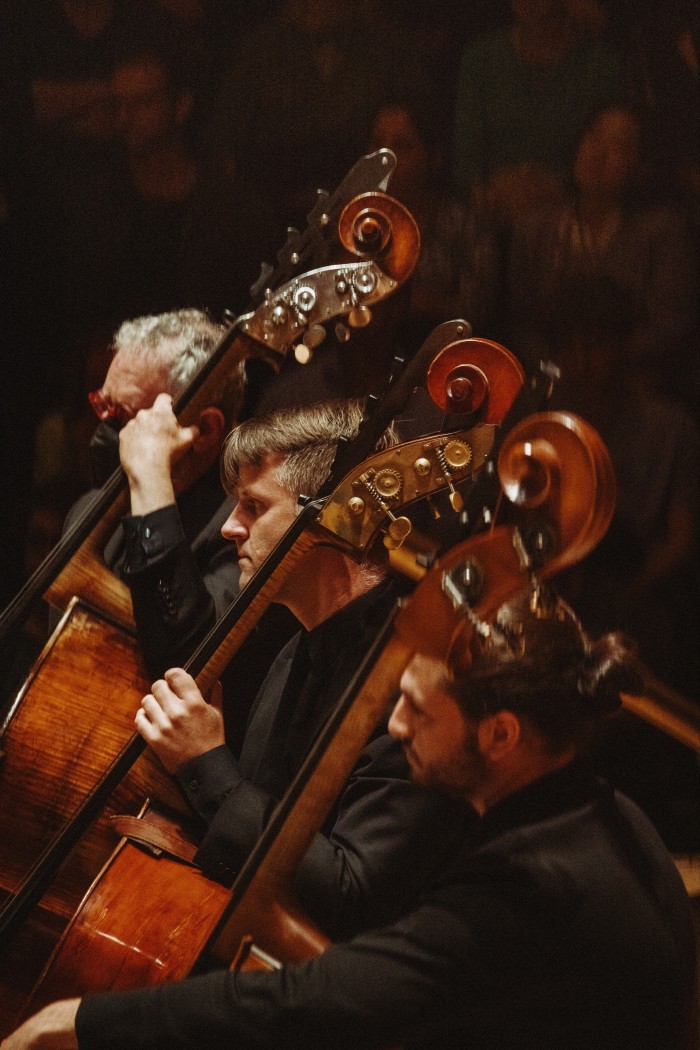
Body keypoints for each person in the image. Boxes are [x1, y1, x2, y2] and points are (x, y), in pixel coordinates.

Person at [4, 586, 695, 1049]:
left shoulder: (532, 886)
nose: (394, 727)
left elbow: (313, 1000)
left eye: (418, 711)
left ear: (501, 735)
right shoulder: (608, 815)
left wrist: (86, 1021)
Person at [130, 398, 474, 937]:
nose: (228, 528)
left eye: (253, 506)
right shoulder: (295, 648)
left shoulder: (405, 686)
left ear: (336, 516)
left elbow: (352, 891)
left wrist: (207, 765)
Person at [58, 308, 248, 678]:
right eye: (102, 405)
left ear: (205, 431)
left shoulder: (238, 536)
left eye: (123, 417)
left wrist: (151, 476)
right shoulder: (87, 512)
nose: (104, 433)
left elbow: (185, 661)